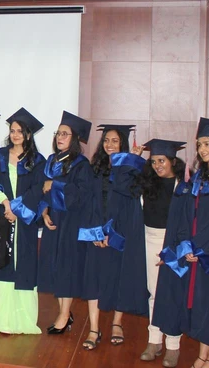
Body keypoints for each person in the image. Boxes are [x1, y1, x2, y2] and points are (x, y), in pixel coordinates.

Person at [154, 118, 209, 368]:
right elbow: (186, 216)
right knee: (205, 308)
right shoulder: (199, 179)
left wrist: (199, 248)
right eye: (200, 144)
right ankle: (202, 356)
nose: (203, 149)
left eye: (208, 144)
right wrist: (185, 246)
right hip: (199, 254)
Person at [0, 107, 45, 334]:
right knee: (2, 262)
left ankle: (21, 317)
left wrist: (17, 209)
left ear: (28, 135)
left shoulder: (37, 161)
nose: (15, 135)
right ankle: (0, 315)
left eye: (20, 131)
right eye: (12, 130)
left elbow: (37, 191)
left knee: (22, 265)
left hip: (24, 221)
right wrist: (6, 204)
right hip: (1, 217)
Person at [80, 124, 148, 351]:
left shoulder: (132, 169)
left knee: (118, 277)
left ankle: (117, 323)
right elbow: (89, 203)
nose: (109, 145)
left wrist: (128, 164)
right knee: (94, 279)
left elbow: (130, 203)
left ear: (123, 144)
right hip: (96, 232)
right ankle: (94, 327)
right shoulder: (95, 169)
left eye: (115, 141)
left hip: (119, 233)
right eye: (106, 140)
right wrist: (96, 232)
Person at [38, 111, 93, 335]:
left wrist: (55, 185)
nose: (60, 137)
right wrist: (44, 211)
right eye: (58, 133)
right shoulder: (51, 161)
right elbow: (42, 190)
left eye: (65, 134)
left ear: (75, 139)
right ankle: (64, 313)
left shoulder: (81, 165)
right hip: (53, 221)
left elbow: (81, 195)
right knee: (55, 267)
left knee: (66, 267)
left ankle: (64, 314)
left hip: (71, 222)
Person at [138, 139, 187, 367]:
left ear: (173, 161)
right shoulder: (148, 185)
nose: (158, 165)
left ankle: (173, 345)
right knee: (153, 292)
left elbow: (187, 222)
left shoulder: (183, 188)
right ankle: (154, 340)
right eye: (154, 161)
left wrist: (174, 250)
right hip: (150, 239)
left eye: (162, 161)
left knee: (172, 294)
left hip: (174, 244)